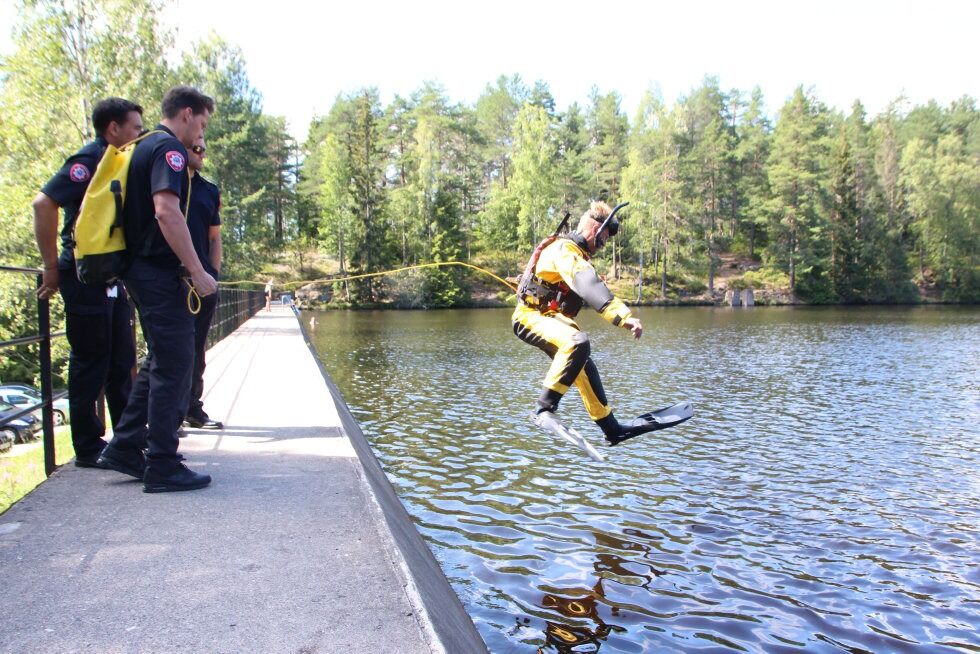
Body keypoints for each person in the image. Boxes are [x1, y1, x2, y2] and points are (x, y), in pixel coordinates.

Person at [97, 85, 218, 493]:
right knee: (177, 360)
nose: (200, 134)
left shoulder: (141, 145)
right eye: (201, 123)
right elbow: (167, 213)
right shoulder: (168, 150)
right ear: (186, 114)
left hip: (139, 270)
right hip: (155, 272)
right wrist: (198, 271)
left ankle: (126, 445)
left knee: (158, 360)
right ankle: (163, 463)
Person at [32, 97, 143, 468]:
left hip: (110, 276)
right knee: (91, 361)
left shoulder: (120, 161)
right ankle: (88, 447)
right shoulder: (89, 160)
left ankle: (127, 441)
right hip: (83, 275)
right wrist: (51, 267)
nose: (139, 136)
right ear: (113, 129)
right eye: (135, 129)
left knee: (121, 360)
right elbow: (42, 204)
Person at [513, 201, 667, 445]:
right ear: (594, 229)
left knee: (582, 361)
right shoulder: (564, 250)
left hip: (552, 319)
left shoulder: (573, 253)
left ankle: (611, 428)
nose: (602, 247)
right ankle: (543, 410)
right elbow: (587, 283)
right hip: (529, 318)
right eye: (603, 240)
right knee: (577, 342)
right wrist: (624, 317)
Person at [182, 136, 223, 430]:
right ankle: (167, 416)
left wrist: (213, 273)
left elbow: (214, 237)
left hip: (203, 282)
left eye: (203, 149)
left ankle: (193, 409)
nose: (202, 154)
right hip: (171, 279)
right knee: (170, 350)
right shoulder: (167, 184)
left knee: (197, 348)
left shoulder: (209, 190)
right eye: (196, 149)